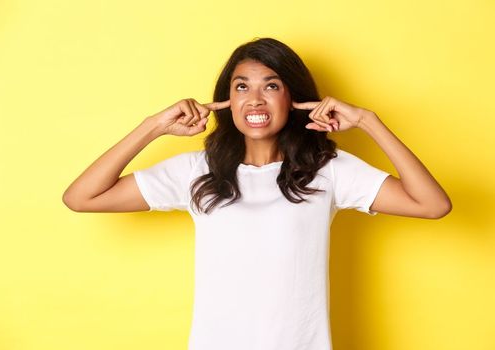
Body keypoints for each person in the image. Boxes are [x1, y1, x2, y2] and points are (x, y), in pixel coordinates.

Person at [61, 37, 451, 350]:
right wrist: (153, 126)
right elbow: (82, 198)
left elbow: (432, 205)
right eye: (242, 86)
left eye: (272, 86)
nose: (255, 99)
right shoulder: (197, 171)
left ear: (293, 98)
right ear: (228, 100)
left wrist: (368, 121)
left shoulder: (328, 170)